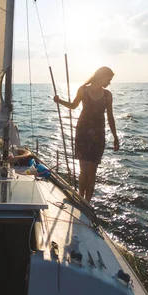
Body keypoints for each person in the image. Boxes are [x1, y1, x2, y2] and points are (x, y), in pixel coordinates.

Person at [54, 66, 119, 203]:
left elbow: (110, 117)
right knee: (83, 170)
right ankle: (80, 197)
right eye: (109, 79)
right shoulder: (83, 90)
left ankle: (87, 202)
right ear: (101, 77)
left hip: (98, 134)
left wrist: (115, 137)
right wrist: (59, 101)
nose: (109, 83)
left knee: (92, 172)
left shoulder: (108, 95)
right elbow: (73, 106)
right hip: (83, 132)